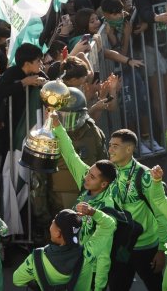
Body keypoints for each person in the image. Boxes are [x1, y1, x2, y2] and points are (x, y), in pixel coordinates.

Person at [51, 112, 118, 291]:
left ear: (104, 184)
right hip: (74, 263)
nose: (86, 178)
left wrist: (99, 287)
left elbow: (104, 256)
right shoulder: (87, 179)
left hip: (92, 272)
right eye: (89, 173)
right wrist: (57, 125)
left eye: (92, 177)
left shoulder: (106, 209)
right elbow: (71, 154)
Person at [105, 128, 167, 291]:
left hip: (146, 247)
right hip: (121, 246)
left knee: (156, 287)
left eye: (115, 146)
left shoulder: (146, 176)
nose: (110, 149)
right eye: (110, 145)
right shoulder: (108, 172)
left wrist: (162, 250)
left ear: (129, 149)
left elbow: (162, 215)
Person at [12, 206, 116, 289]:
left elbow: (17, 280)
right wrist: (92, 212)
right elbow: (109, 224)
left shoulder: (36, 259)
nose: (51, 223)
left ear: (57, 233)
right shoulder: (88, 253)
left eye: (53, 221)